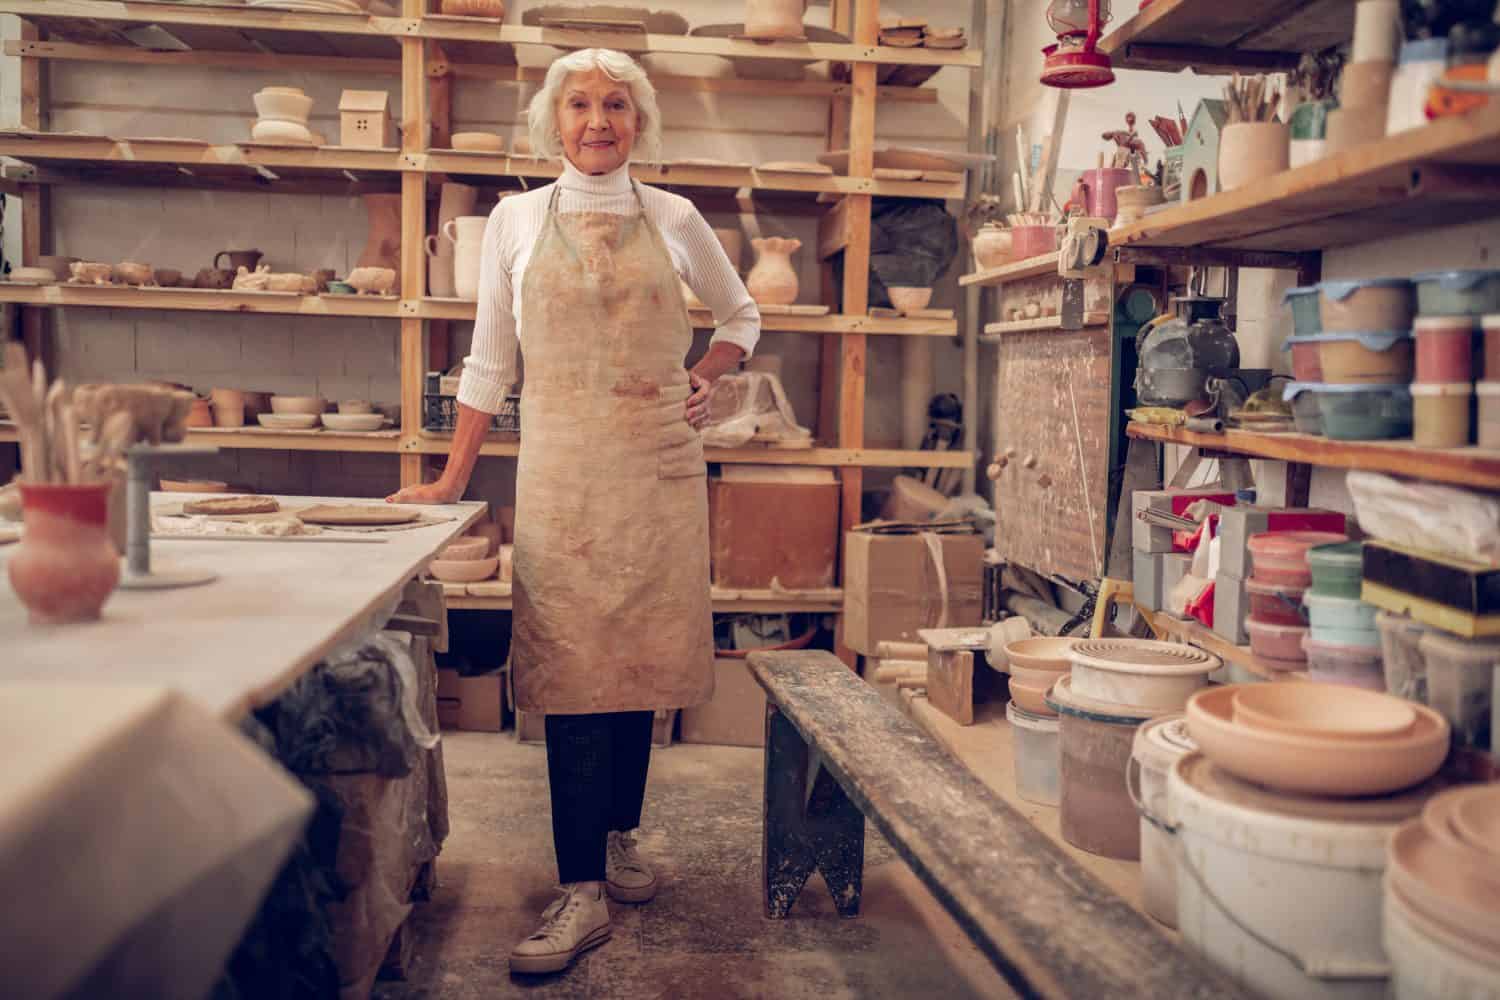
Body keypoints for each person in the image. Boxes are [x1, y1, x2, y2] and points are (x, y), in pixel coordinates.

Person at [387, 47, 760, 975]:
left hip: (657, 468)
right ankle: (579, 887)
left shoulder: (672, 216)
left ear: (640, 123)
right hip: (563, 472)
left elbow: (742, 317)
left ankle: (621, 835)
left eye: (618, 107)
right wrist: (447, 483)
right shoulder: (515, 222)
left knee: (634, 659)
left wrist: (706, 376)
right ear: (554, 122)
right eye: (582, 105)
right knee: (570, 667)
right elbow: (487, 368)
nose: (599, 122)